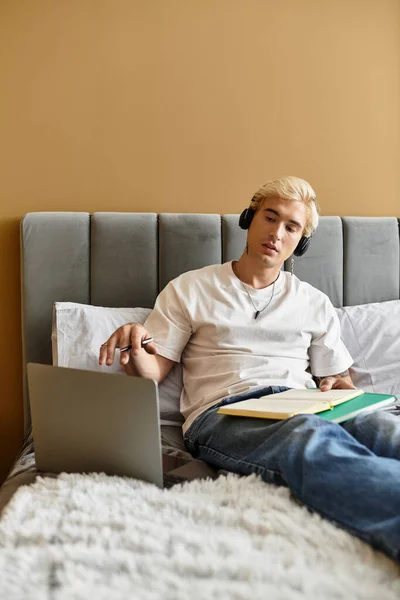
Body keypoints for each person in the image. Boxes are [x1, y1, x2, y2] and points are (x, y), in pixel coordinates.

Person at [99, 176, 400, 562]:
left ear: (300, 242)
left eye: (291, 227)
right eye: (269, 218)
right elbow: (152, 372)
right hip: (223, 414)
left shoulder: (313, 302)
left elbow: (335, 378)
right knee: (305, 436)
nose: (276, 232)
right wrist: (137, 341)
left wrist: (339, 392)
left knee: (383, 429)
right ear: (248, 219)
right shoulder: (190, 288)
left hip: (303, 403)